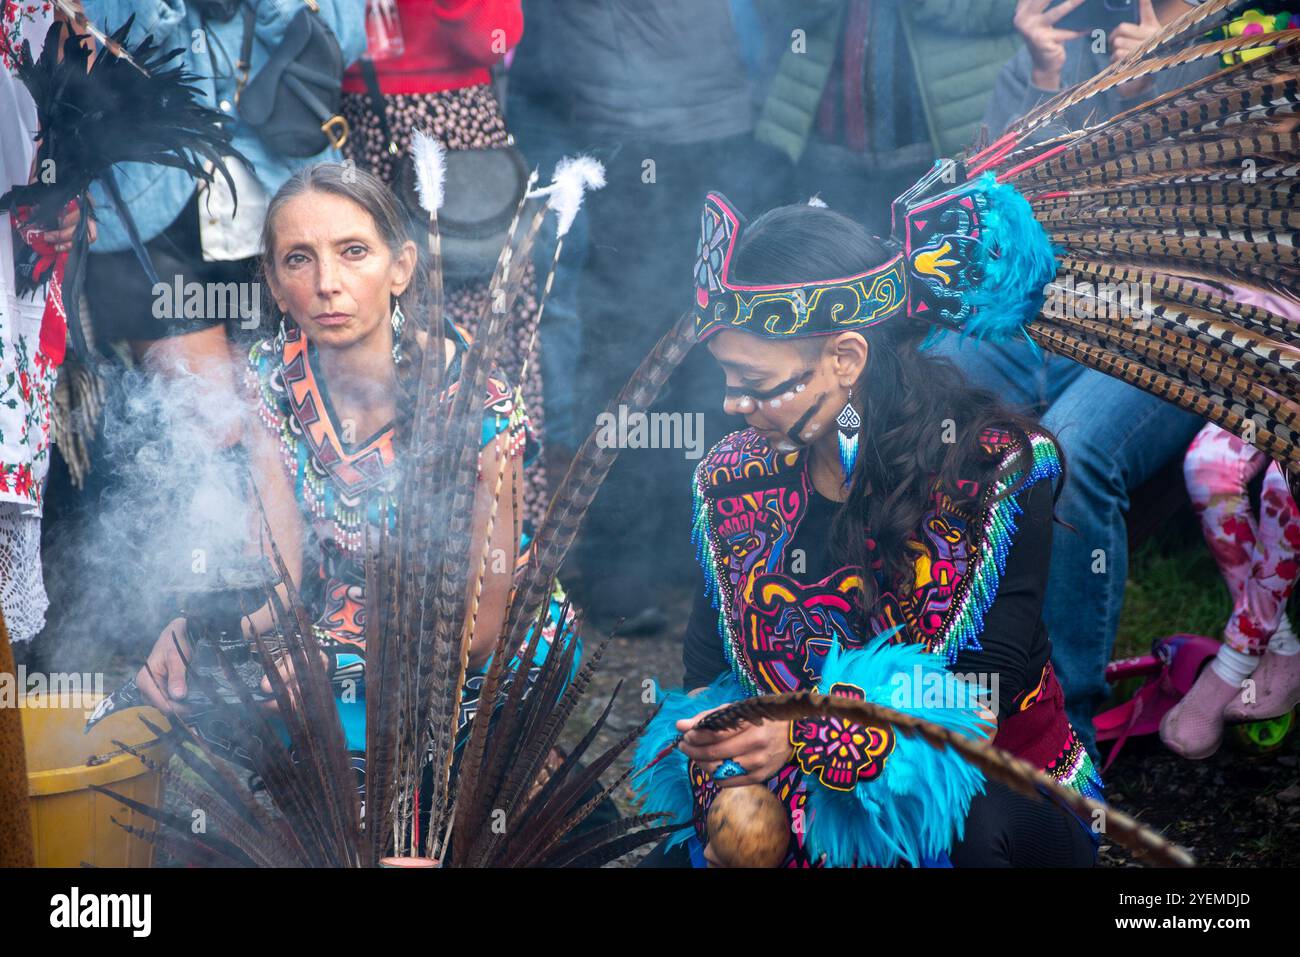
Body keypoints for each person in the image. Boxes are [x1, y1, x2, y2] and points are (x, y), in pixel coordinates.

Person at [639, 195, 1103, 867]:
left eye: (756, 381)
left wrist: (805, 735)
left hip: (985, 790)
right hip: (796, 795)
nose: (732, 404)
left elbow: (981, 696)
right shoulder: (734, 480)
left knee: (965, 837)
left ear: (846, 357)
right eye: (727, 379)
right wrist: (723, 758)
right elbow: (712, 669)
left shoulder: (994, 471)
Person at [132, 164, 574, 788]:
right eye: (298, 260)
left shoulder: (478, 405)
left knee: (352, 745)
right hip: (336, 613)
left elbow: (476, 634)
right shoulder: (269, 378)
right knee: (228, 692)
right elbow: (277, 576)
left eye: (354, 252)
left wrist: (330, 663)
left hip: (459, 646)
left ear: (401, 267)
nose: (327, 284)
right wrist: (203, 632)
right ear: (275, 284)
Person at [930, 0, 1220, 754]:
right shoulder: (1078, 28)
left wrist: (1167, 79)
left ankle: (1069, 731)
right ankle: (942, 685)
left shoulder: (1243, 41)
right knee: (932, 389)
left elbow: (1227, 213)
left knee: (1074, 449)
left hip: (1168, 323)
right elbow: (992, 196)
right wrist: (1041, 76)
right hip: (1050, 313)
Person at [338, 0, 553, 529]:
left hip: (462, 137)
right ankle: (390, 539)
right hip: (358, 125)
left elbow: (497, 36)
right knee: (382, 333)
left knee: (487, 340)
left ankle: (497, 547)